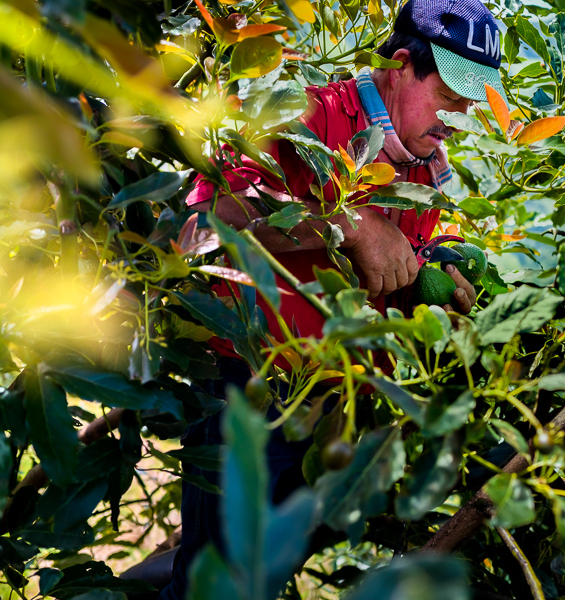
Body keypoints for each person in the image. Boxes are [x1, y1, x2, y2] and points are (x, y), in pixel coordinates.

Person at [149, 0, 507, 596]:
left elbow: (423, 235)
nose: (460, 115)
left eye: (472, 101)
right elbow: (203, 226)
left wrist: (440, 263)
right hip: (255, 387)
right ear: (399, 66)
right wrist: (349, 224)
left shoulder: (422, 155)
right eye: (450, 95)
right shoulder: (304, 115)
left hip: (340, 409)